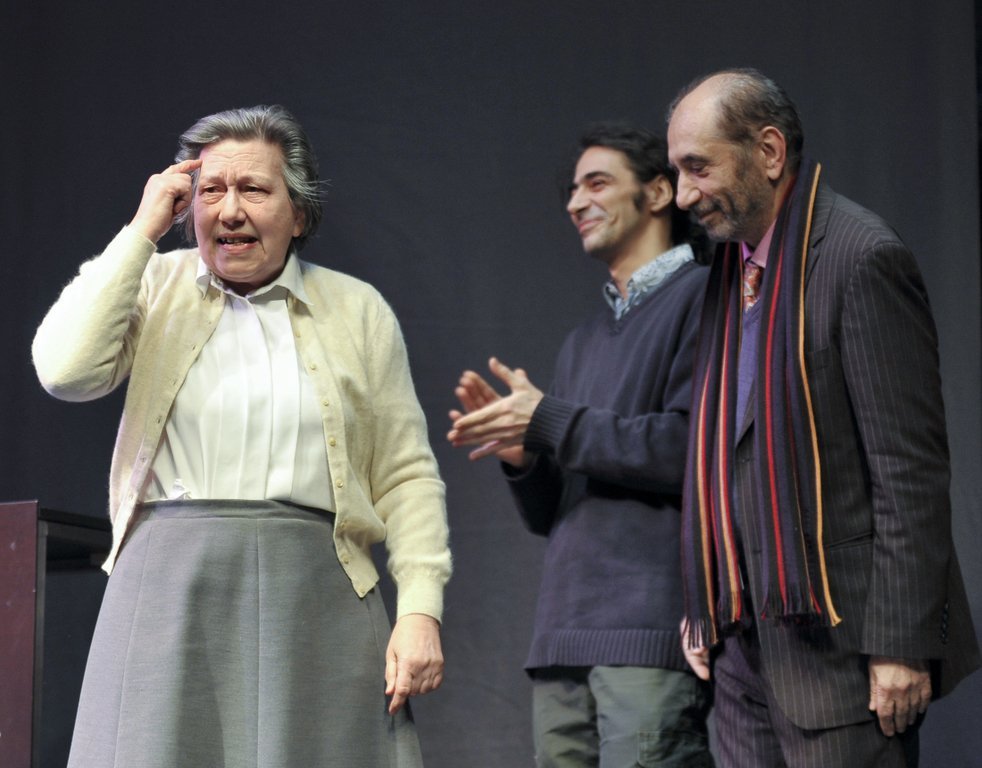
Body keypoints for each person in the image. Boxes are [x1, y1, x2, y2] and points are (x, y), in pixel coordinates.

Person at [32, 105, 451, 768]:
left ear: (299, 214)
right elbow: (65, 370)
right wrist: (142, 231)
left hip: (317, 590)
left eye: (254, 189)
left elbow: (406, 474)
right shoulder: (153, 284)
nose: (229, 211)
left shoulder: (357, 308)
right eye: (210, 191)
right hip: (169, 587)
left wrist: (421, 609)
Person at [666, 68, 980, 767]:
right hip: (744, 655)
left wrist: (900, 645)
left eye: (698, 167)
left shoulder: (860, 257)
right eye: (678, 172)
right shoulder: (728, 271)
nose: (684, 195)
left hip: (845, 659)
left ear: (769, 152)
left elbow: (909, 473)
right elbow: (724, 450)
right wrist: (705, 592)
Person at [447, 123, 713, 767]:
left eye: (596, 183)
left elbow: (691, 450)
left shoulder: (705, 296)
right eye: (571, 190)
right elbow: (554, 514)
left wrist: (549, 421)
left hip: (649, 636)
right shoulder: (582, 341)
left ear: (658, 193)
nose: (575, 203)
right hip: (563, 639)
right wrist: (523, 459)